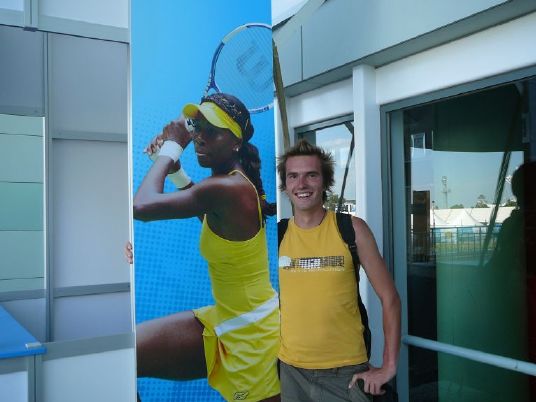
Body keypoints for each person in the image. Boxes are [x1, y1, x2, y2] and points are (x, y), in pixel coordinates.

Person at [131, 93, 280, 402]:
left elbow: (141, 206)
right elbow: (208, 217)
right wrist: (175, 169)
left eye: (212, 130)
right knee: (126, 354)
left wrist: (172, 147)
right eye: (198, 128)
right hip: (224, 318)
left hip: (253, 334)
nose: (200, 136)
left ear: (235, 142)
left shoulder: (229, 188)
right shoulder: (229, 187)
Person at [276, 140, 401, 402]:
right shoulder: (276, 235)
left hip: (344, 373)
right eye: (293, 176)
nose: (302, 184)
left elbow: (389, 297)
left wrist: (389, 365)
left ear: (325, 182)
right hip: (290, 372)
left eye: (311, 175)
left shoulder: (351, 229)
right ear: (285, 185)